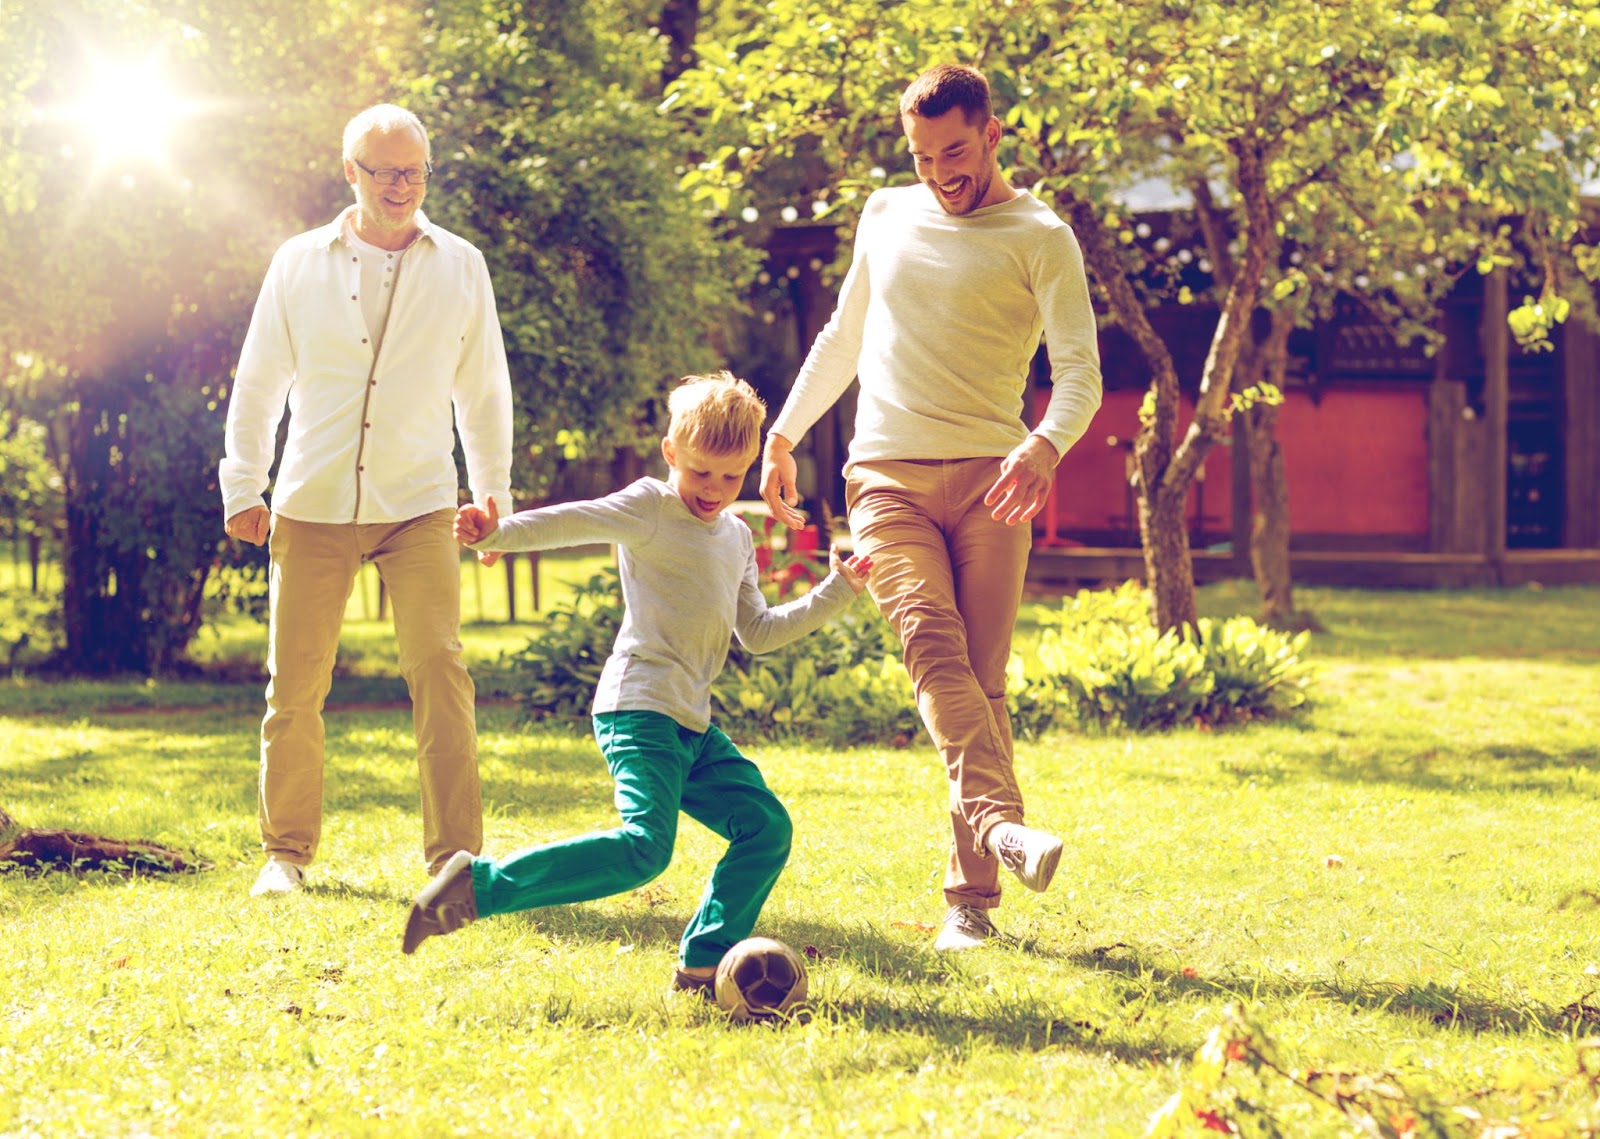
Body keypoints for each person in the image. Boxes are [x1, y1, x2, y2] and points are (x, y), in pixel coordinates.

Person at [759, 64, 1103, 951]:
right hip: (885, 477)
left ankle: (971, 903)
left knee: (981, 686)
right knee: (931, 646)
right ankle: (1002, 827)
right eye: (921, 155)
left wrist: (1043, 444)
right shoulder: (887, 213)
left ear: (993, 134)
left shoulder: (1041, 237)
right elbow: (844, 336)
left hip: (994, 481)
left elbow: (1081, 378)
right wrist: (786, 432)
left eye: (954, 151)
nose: (939, 171)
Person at [401, 372, 873, 995]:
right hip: (638, 709)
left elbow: (756, 632)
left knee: (765, 828)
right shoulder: (651, 506)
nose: (714, 490)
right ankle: (476, 886)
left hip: (692, 726)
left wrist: (837, 591)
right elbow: (575, 521)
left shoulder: (736, 536)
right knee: (645, 849)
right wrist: (495, 534)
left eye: (731, 477)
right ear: (672, 453)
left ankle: (704, 963)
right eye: (701, 472)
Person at [219, 103, 513, 896]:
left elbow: (482, 389)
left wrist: (493, 492)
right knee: (296, 683)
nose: (401, 186)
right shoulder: (297, 262)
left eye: (414, 170)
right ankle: (285, 854)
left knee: (441, 670)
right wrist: (244, 483)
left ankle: (455, 857)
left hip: (419, 499)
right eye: (384, 171)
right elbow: (258, 383)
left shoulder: (461, 264)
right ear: (350, 171)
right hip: (312, 501)